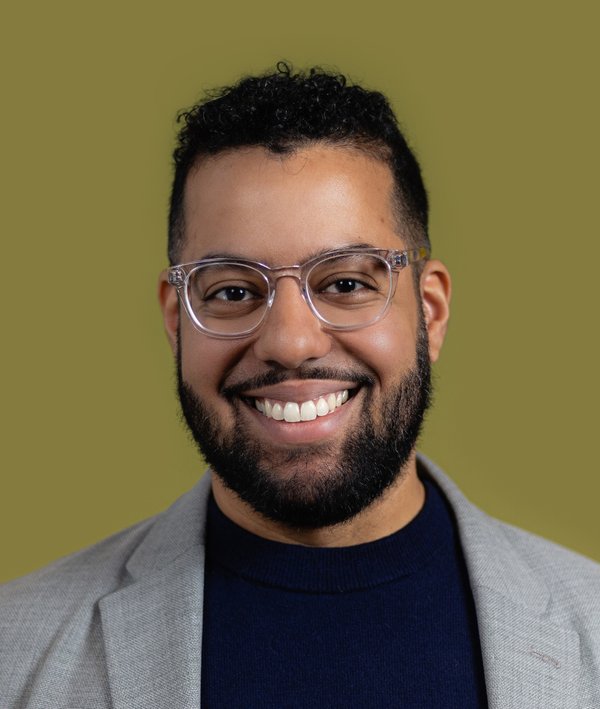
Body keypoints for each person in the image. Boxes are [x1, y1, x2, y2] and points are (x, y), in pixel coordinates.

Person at [1, 64, 599, 709]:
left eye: (345, 283)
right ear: (178, 322)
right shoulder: (14, 652)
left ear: (429, 312)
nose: (289, 341)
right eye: (232, 291)